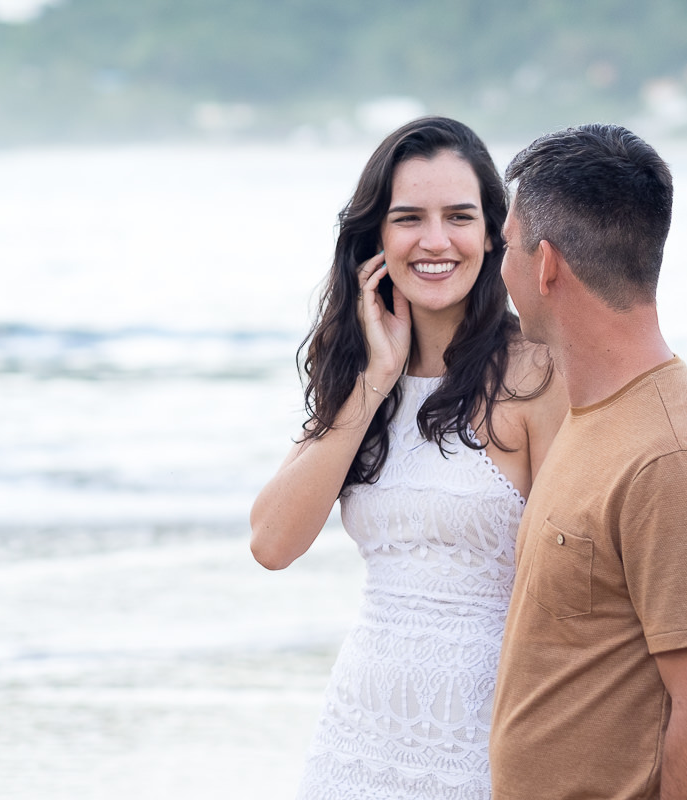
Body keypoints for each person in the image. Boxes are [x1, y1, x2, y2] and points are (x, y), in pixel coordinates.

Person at [250, 116, 567, 799]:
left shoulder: (539, 375)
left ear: (493, 233)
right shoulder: (360, 378)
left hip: (483, 745)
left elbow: (576, 595)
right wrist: (373, 381)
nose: (434, 241)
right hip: (357, 743)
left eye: (459, 216)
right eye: (408, 218)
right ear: (376, 238)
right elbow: (273, 542)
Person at [490, 123, 687, 800]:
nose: (498, 269)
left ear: (546, 264)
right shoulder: (593, 417)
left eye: (505, 247)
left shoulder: (674, 458)